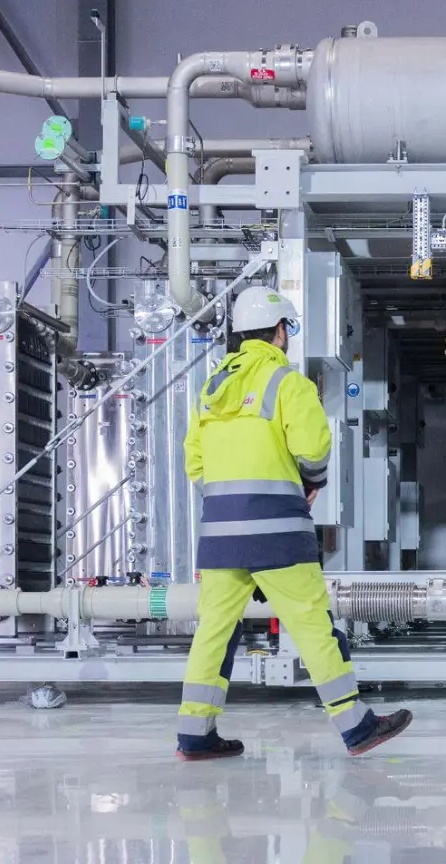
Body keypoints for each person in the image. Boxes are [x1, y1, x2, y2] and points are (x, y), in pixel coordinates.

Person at [176, 286, 412, 760]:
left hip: (219, 534)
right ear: (281, 331)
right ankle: (356, 727)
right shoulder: (287, 383)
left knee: (214, 632)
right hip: (278, 532)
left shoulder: (211, 389)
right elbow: (313, 448)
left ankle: (195, 735)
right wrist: (311, 482)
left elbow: (195, 466)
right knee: (312, 625)